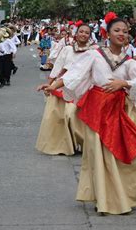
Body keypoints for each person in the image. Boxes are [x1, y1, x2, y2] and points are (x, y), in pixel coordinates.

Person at [42, 14, 136, 215]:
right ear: (107, 33)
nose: (122, 34)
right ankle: (103, 198)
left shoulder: (129, 61)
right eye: (117, 30)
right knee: (99, 155)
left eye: (125, 31)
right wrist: (52, 85)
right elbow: (75, 73)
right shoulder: (95, 55)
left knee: (123, 154)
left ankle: (125, 194)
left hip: (119, 110)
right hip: (98, 109)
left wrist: (124, 83)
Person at [35, 24, 95, 156]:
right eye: (81, 32)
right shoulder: (67, 49)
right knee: (63, 116)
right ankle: (65, 145)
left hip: (83, 88)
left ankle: (84, 143)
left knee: (74, 116)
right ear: (76, 33)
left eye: (86, 33)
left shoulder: (93, 52)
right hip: (63, 87)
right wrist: (49, 84)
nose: (83, 34)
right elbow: (58, 67)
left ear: (90, 36)